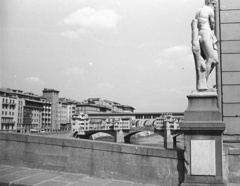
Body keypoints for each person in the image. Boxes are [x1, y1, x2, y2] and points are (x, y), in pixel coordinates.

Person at [195, 0, 218, 89]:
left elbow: (197, 25)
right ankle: (203, 84)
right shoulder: (210, 10)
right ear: (211, 3)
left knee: (215, 60)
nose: (215, 7)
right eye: (214, 4)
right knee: (211, 59)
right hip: (206, 33)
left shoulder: (198, 10)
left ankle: (203, 82)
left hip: (200, 34)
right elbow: (212, 26)